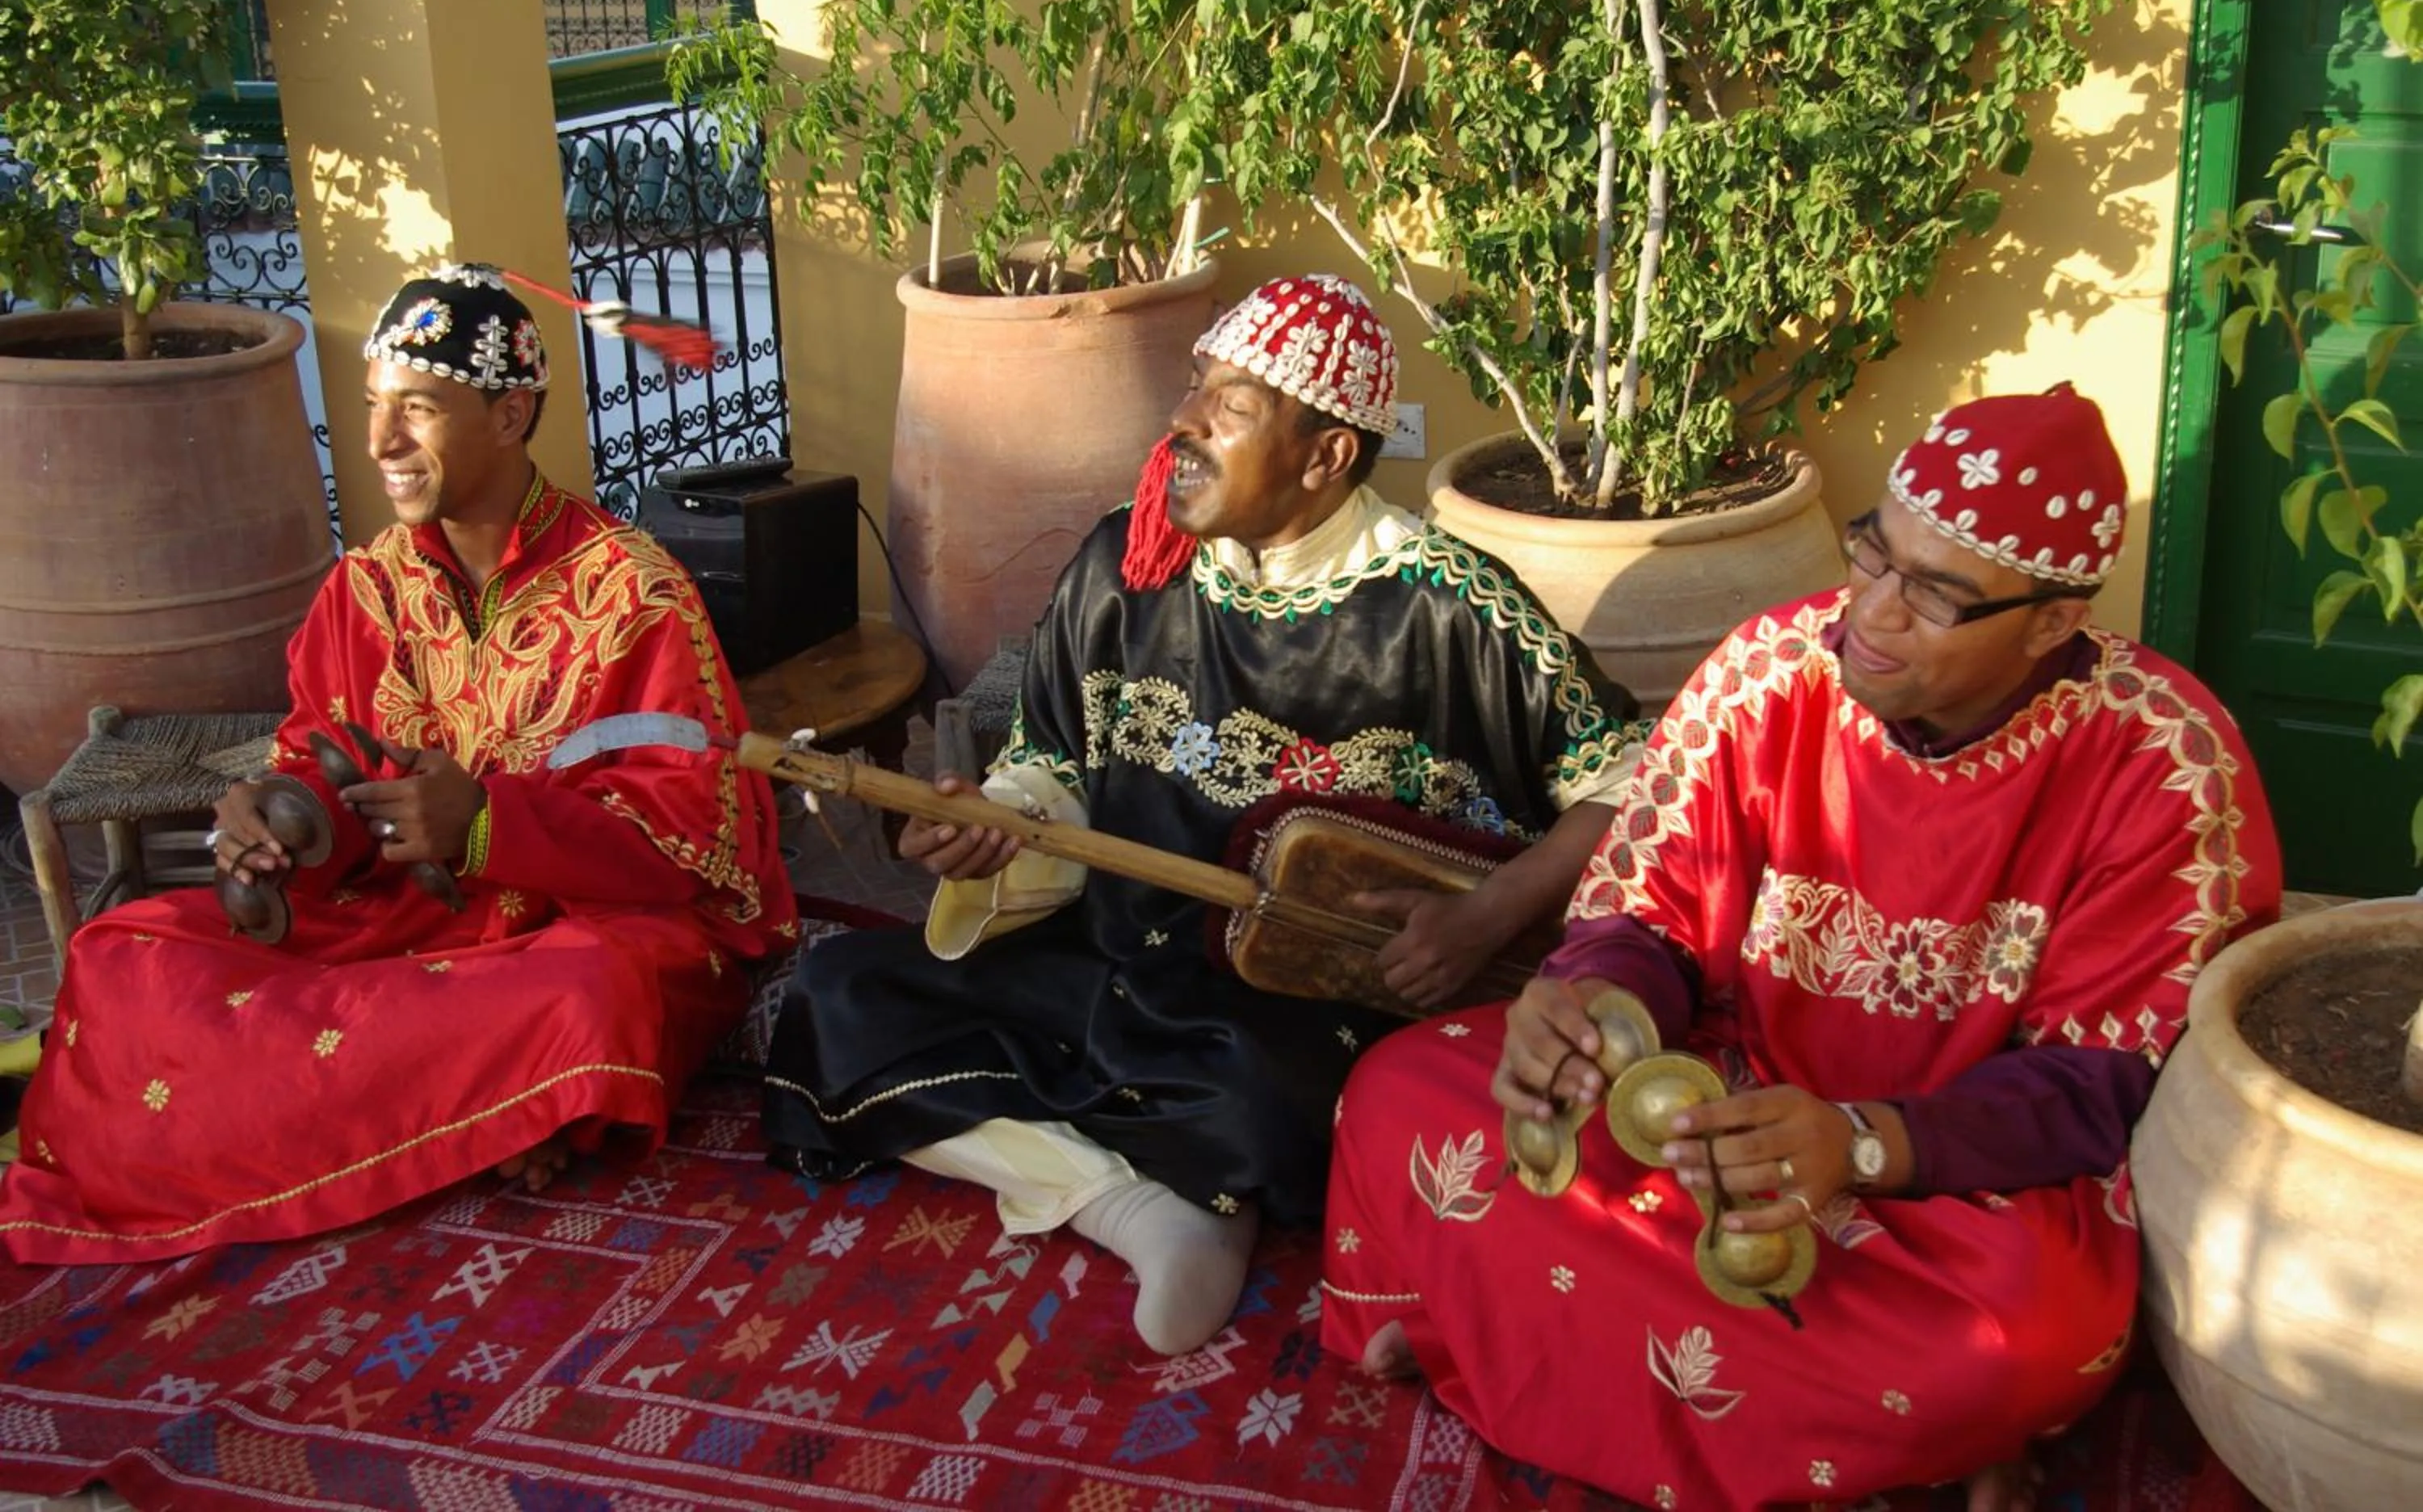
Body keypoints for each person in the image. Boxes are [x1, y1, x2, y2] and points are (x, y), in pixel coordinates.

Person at [1318, 385, 2284, 1512]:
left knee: (2025, 1333)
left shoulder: (2162, 760)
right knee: (1398, 1096)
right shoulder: (1771, 669)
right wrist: (1591, 1010)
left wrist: (1864, 1148)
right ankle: (1881, 1435)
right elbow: (1655, 911)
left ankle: (1512, 1337)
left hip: (1953, 1171)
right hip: (1730, 1091)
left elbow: (2105, 1083)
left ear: (2053, 622)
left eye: (1934, 595)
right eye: (1877, 555)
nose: (1872, 612)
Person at [762, 275, 1643, 1354]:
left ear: (1325, 457)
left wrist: (1490, 913)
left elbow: (1630, 783)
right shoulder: (1118, 566)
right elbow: (1048, 771)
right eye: (1194, 389)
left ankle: (1148, 1176)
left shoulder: (1449, 608)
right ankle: (1140, 1206)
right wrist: (988, 827)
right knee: (837, 997)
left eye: (1230, 407)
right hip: (1108, 954)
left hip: (1274, 1013)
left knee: (1288, 1097)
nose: (1181, 423)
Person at [0, 263, 797, 1264]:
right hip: (391, 924)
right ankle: (490, 1117)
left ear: (510, 416)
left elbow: (695, 844)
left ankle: (467, 1104)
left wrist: (486, 824)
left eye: (416, 409)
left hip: (567, 930)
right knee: (119, 955)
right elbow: (318, 756)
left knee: (597, 996)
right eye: (376, 409)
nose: (378, 443)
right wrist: (271, 818)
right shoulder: (364, 587)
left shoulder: (634, 594)